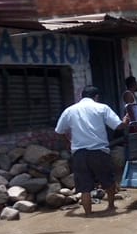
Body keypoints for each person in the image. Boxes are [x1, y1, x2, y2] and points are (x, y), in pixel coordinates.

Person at [55, 86, 130, 216]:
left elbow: (59, 131)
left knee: (84, 188)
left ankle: (88, 214)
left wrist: (69, 142)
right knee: (108, 182)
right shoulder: (102, 108)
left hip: (79, 154)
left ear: (81, 96)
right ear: (96, 97)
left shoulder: (70, 110)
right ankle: (111, 207)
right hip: (99, 152)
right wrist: (125, 121)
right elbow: (118, 126)